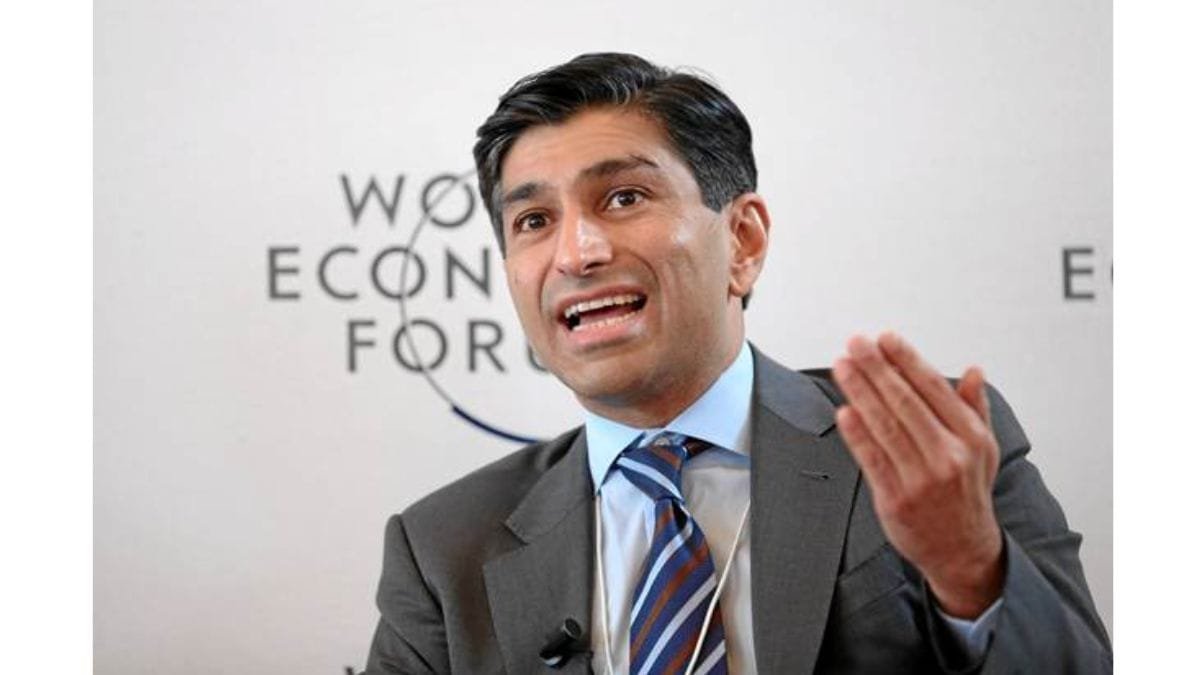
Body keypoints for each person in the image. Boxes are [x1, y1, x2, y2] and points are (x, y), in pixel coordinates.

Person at [362, 53, 1111, 674]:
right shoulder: (443, 548)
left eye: (623, 197)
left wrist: (970, 567)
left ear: (743, 240)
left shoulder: (926, 448)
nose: (577, 252)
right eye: (534, 220)